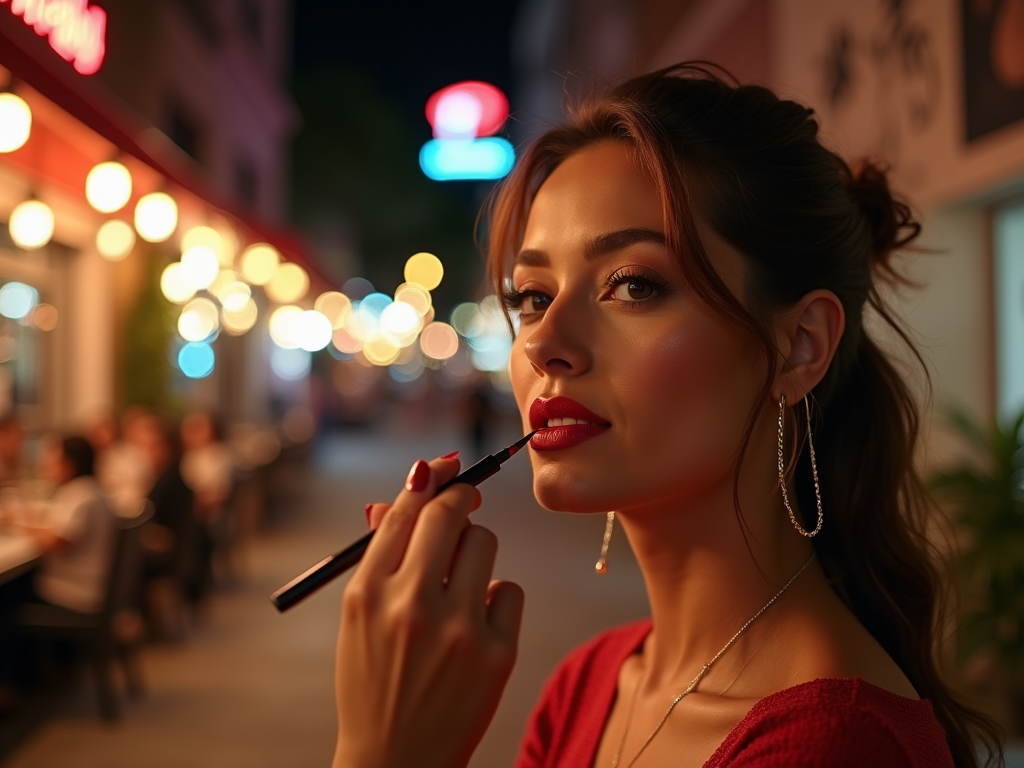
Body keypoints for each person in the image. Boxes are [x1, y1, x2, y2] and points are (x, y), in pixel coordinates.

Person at [332, 65, 1004, 768]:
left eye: (633, 284)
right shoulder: (589, 685)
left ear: (800, 346)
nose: (543, 343)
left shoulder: (836, 746)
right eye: (532, 295)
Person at [17, 435, 117, 614]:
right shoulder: (93, 488)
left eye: (52, 459)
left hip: (74, 593)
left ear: (70, 463)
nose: (45, 466)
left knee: (10, 592)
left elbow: (53, 542)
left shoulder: (79, 494)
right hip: (94, 588)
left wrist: (19, 524)